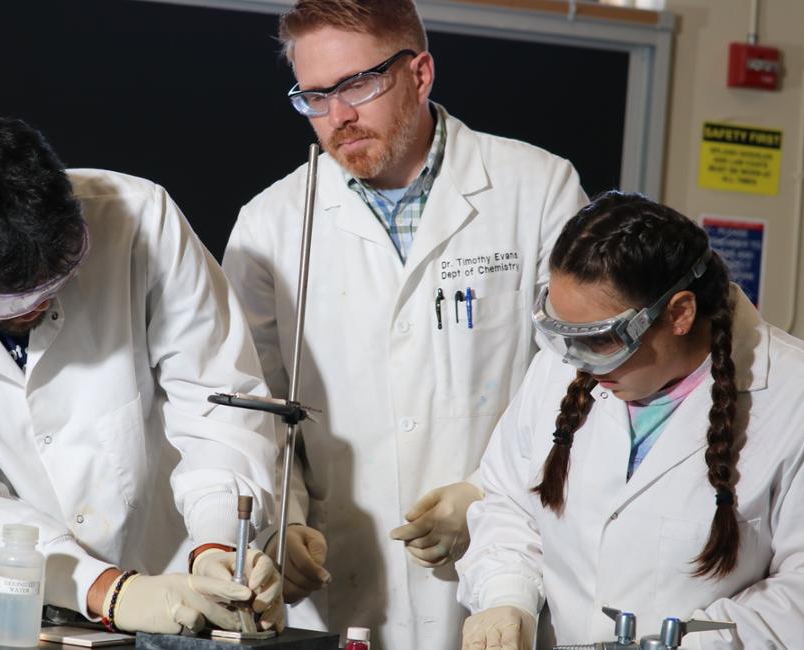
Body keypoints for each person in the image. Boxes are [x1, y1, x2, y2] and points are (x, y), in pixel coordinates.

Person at [221, 1, 588, 645]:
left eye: (358, 84)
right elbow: (252, 405)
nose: (338, 116)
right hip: (340, 576)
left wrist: (486, 494)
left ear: (420, 74)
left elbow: (581, 379)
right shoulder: (270, 224)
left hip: (507, 559)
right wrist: (286, 519)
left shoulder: (538, 190)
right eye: (314, 96)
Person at [0, 116, 286, 634]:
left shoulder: (141, 219)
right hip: (9, 603)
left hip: (175, 579)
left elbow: (216, 400)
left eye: (62, 275)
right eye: (10, 299)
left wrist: (219, 544)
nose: (42, 304)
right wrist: (107, 590)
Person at [456, 191, 804, 649]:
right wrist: (506, 596)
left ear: (679, 313)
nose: (579, 363)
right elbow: (510, 505)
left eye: (601, 340)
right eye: (565, 335)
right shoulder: (557, 373)